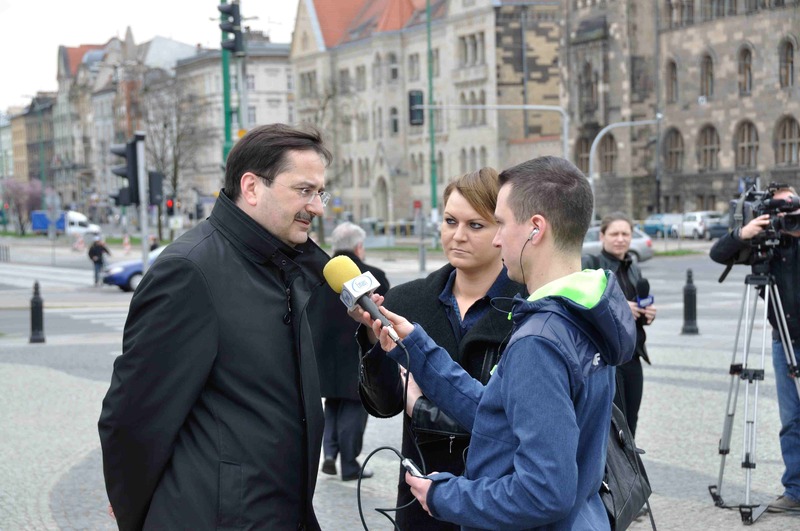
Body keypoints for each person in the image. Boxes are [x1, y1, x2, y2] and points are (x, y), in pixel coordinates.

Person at [358, 157, 636, 530]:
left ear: (536, 229)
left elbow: (543, 493)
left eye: (500, 223)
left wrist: (444, 494)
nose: (497, 238)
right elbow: (498, 414)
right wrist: (417, 348)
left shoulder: (540, 340)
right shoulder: (584, 311)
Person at [98, 123, 333, 530]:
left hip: (278, 513)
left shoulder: (286, 264)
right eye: (304, 190)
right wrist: (138, 514)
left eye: (320, 192)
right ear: (252, 187)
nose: (317, 206)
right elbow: (133, 415)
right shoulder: (190, 270)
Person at [358, 167, 526, 530]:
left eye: (475, 225)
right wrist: (374, 339)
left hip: (498, 499)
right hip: (421, 502)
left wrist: (420, 407)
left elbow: (515, 423)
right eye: (450, 221)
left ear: (502, 230)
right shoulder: (408, 300)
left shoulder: (529, 307)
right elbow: (384, 404)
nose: (458, 236)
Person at [710, 185, 800, 513]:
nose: (786, 219)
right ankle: (796, 491)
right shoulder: (764, 242)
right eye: (779, 212)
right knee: (792, 419)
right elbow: (718, 254)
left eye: (791, 210)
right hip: (784, 339)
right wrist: (742, 233)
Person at [314, 221, 390, 481]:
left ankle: (329, 455)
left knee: (333, 402)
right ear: (359, 247)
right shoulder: (373, 275)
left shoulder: (317, 276)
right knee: (354, 406)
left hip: (323, 351)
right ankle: (349, 463)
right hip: (355, 351)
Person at [582, 212, 657, 437]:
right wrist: (619, 307)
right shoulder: (592, 264)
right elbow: (584, 304)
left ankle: (629, 470)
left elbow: (637, 306)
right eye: (614, 233)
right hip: (606, 358)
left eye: (625, 234)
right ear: (602, 236)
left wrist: (647, 314)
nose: (620, 239)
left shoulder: (633, 267)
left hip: (633, 354)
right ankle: (609, 471)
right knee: (612, 424)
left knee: (631, 420)